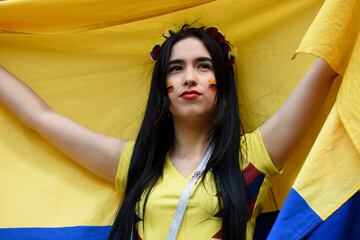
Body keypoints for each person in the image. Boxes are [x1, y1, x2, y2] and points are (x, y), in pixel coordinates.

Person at [0, 25, 338, 240]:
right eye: (176, 68)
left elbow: (324, 72)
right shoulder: (136, 163)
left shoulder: (252, 156)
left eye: (203, 66)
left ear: (222, 83)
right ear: (164, 88)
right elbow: (41, 118)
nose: (189, 78)